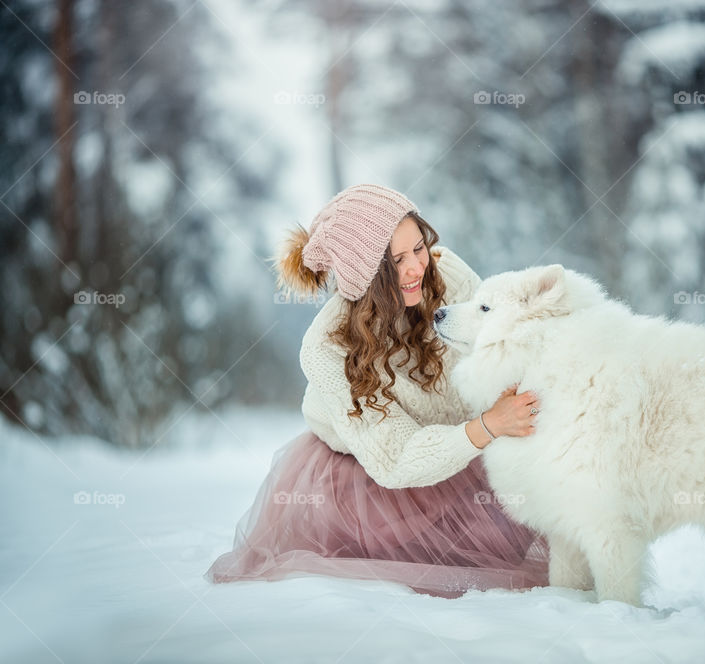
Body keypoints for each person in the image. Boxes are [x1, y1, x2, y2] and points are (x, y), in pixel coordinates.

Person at [204, 184, 549, 598]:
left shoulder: (446, 273)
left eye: (419, 248)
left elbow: (499, 343)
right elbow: (396, 458)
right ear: (362, 275)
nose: (416, 268)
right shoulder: (326, 348)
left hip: (462, 444)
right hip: (371, 481)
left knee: (524, 514)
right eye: (396, 261)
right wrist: (488, 425)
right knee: (434, 564)